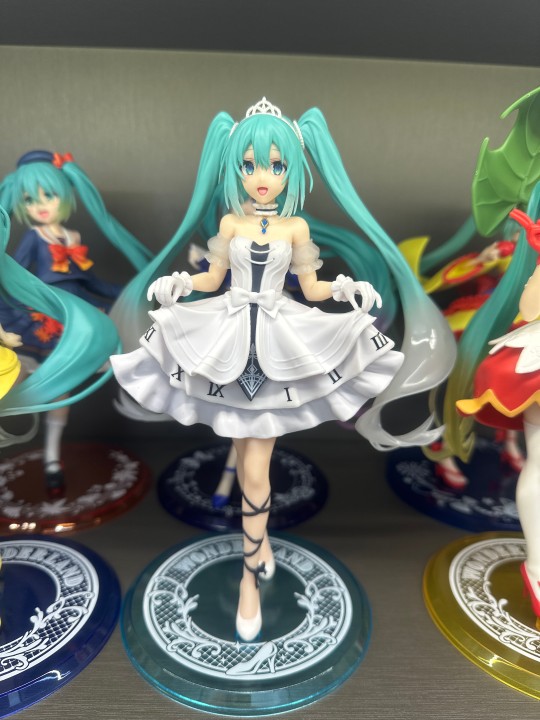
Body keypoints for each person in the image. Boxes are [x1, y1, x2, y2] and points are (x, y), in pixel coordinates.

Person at [111, 98, 455, 641]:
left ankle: (249, 577)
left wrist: (346, 289)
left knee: (255, 469)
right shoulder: (230, 221)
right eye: (250, 165)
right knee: (247, 459)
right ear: (235, 169)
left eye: (275, 165)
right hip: (227, 338)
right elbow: (212, 279)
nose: (262, 177)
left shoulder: (295, 227)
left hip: (278, 340)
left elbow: (312, 288)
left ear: (292, 170)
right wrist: (180, 282)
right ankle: (260, 548)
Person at [0, 150, 152, 492]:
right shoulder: (33, 238)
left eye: (49, 195)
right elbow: (13, 274)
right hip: (49, 319)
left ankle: (143, 407)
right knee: (57, 389)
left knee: (122, 354)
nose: (40, 205)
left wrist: (129, 291)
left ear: (66, 195)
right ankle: (51, 458)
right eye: (30, 199)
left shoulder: (72, 239)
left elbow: (89, 282)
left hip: (82, 316)